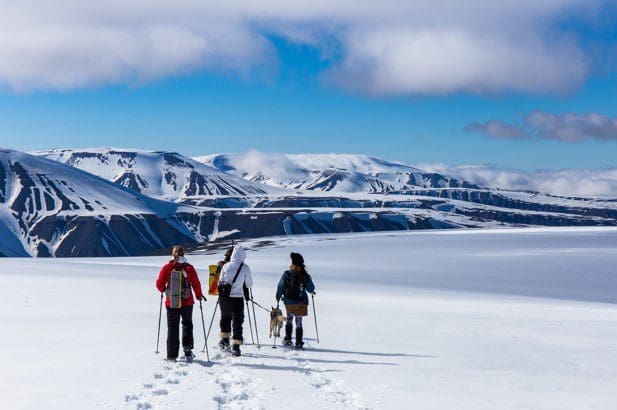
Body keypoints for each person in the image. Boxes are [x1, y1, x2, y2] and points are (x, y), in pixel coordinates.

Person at [155, 245, 204, 361]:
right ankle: (187, 350)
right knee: (187, 324)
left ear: (173, 255)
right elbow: (196, 283)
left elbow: (159, 284)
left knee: (172, 327)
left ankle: (171, 355)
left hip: (171, 302)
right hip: (187, 302)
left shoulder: (167, 267)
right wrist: (198, 295)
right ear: (183, 254)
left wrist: (164, 290)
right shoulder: (189, 268)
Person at [218, 245, 253, 357]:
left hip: (225, 298)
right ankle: (236, 347)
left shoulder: (226, 266)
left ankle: (225, 341)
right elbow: (249, 284)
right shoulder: (245, 267)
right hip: (238, 298)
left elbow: (220, 281)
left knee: (225, 318)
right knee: (237, 322)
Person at [276, 252, 315, 349]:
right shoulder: (304, 275)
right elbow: (310, 288)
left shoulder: (287, 273)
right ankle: (298, 342)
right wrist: (312, 291)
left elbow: (280, 286)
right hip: (300, 302)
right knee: (298, 322)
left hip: (288, 302)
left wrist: (277, 297)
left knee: (289, 320)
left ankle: (288, 340)